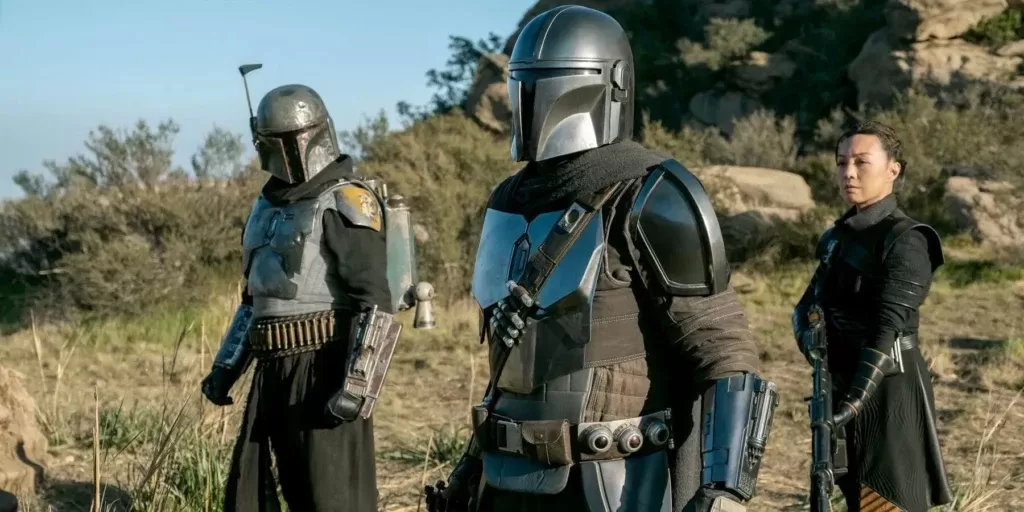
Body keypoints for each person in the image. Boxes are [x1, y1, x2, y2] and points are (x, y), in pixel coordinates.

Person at [427, 5, 778, 512]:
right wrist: (471, 465)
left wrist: (724, 489)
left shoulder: (653, 193)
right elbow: (511, 362)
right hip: (504, 478)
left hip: (613, 482)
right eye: (525, 82)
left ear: (606, 85)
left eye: (549, 82)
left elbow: (721, 346)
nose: (532, 99)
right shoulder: (509, 201)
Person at [200, 83, 393, 512]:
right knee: (261, 494)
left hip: (323, 370)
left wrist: (357, 386)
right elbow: (254, 299)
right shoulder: (265, 205)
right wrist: (226, 368)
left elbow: (375, 301)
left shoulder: (347, 200)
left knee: (332, 500)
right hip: (271, 371)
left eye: (280, 141)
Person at [791, 120, 953, 511]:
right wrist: (816, 353)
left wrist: (852, 405)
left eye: (861, 162)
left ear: (893, 170)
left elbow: (887, 329)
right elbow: (806, 307)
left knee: (885, 502)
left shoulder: (908, 239)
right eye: (841, 162)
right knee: (848, 494)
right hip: (838, 383)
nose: (848, 172)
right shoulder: (836, 237)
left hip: (889, 389)